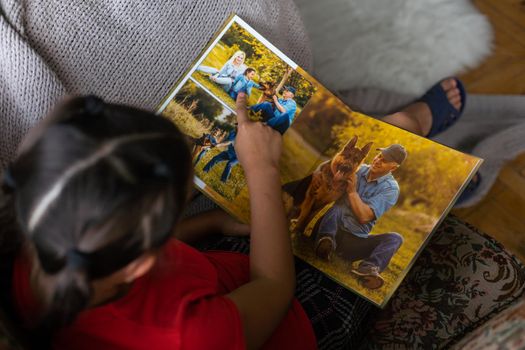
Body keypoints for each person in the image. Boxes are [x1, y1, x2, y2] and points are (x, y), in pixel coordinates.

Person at [1, 94, 318, 349]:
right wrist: (263, 169)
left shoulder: (34, 252)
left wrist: (211, 223)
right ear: (143, 262)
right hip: (290, 318)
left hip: (220, 276)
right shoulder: (188, 336)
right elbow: (275, 287)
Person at [314, 144, 407, 290]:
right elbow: (331, 166)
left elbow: (364, 217)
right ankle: (325, 243)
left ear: (393, 167)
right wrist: (318, 173)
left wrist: (352, 192)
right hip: (332, 227)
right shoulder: (359, 169)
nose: (377, 160)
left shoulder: (391, 189)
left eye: (384, 160)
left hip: (354, 241)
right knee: (337, 209)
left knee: (396, 238)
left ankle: (368, 269)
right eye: (378, 156)